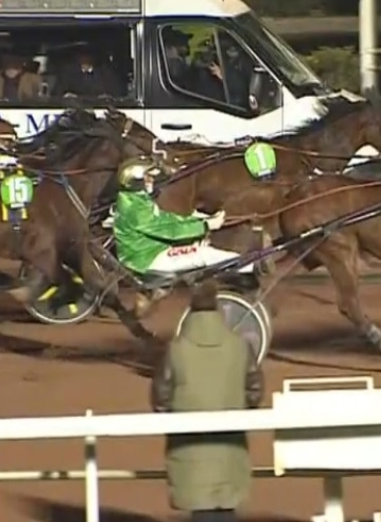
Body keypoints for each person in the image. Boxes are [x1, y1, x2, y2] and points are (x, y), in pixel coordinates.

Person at [151, 280, 264, 522]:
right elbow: (254, 392)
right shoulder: (240, 346)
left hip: (188, 450)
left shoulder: (175, 350)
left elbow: (160, 400)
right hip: (231, 448)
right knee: (225, 508)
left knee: (201, 507)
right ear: (218, 308)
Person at [112, 157, 252, 276]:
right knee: (205, 255)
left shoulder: (135, 199)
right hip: (146, 260)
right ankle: (252, 268)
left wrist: (199, 219)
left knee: (202, 246)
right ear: (135, 182)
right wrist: (205, 226)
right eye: (147, 177)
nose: (151, 180)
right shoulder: (134, 208)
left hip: (149, 252)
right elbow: (168, 230)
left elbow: (166, 220)